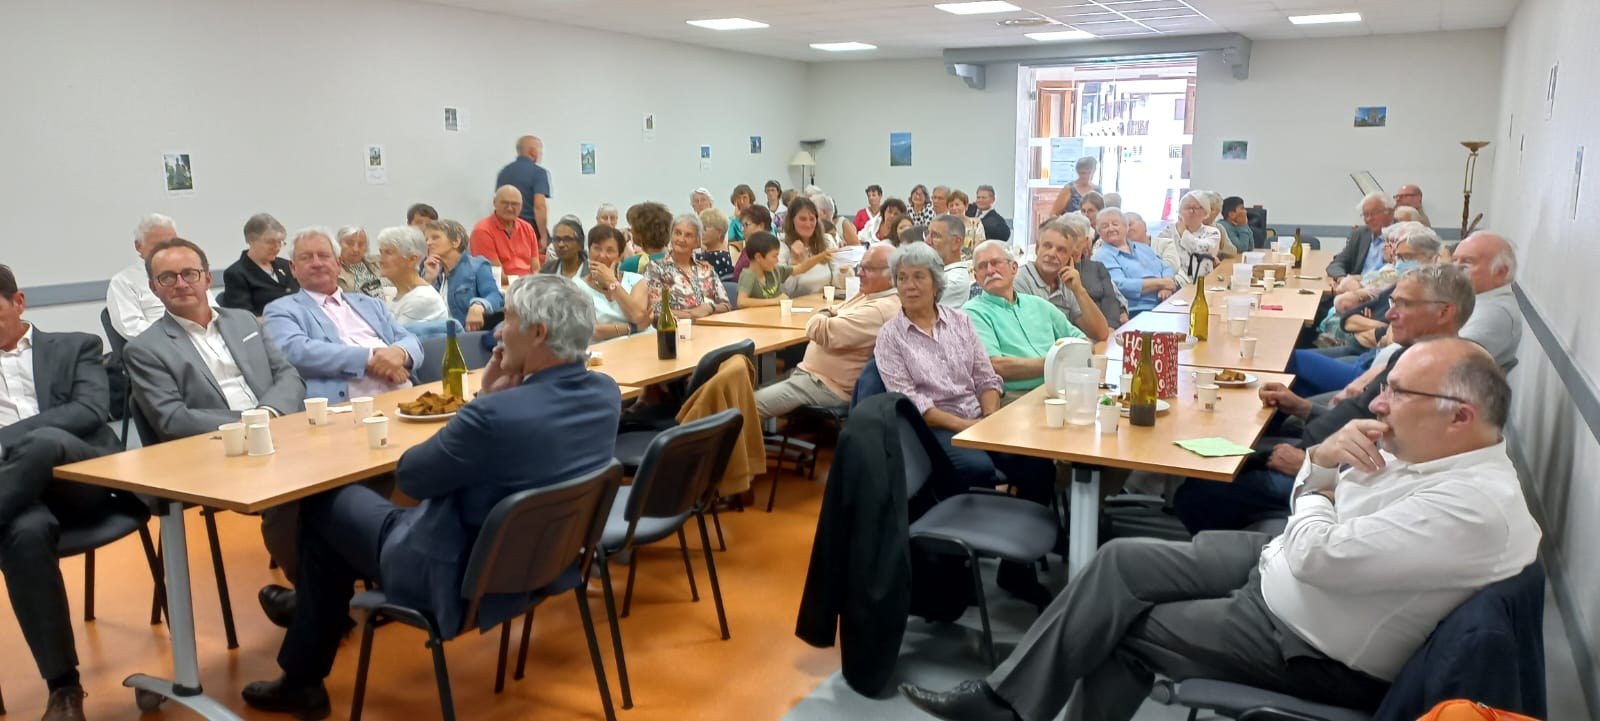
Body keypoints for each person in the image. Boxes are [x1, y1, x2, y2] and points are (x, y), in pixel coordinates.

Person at [901, 340, 1539, 721]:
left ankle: (1007, 705)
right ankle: (1006, 701)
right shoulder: (1434, 454)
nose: (1376, 403)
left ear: (1459, 415)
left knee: (1117, 626)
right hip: (1283, 566)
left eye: (1397, 393)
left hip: (1306, 639)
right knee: (1121, 562)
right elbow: (1327, 519)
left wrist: (1317, 473)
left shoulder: (1473, 506)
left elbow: (1320, 543)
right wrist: (1324, 476)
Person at [241, 275, 622, 720]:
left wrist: (483, 399)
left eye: (511, 321)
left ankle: (305, 666)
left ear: (538, 333)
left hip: (453, 576)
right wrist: (494, 400)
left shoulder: (491, 416)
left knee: (324, 504)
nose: (500, 331)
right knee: (339, 526)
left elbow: (413, 478)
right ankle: (313, 615)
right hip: (545, 560)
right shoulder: (605, 392)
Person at [1175, 264, 1477, 534]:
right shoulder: (1407, 354)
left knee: (1202, 491)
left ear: (1444, 312)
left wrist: (1313, 467)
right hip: (1313, 449)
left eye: (1404, 304)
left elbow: (1397, 465)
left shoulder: (1440, 378)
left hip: (1326, 472)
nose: (1389, 314)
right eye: (1393, 301)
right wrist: (1303, 407)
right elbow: (1361, 416)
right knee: (1219, 455)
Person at [872, 243, 1054, 608]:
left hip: (979, 417)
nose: (909, 285)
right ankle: (956, 570)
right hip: (934, 426)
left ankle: (1016, 570)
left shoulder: (960, 322)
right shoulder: (890, 338)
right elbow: (911, 402)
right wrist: (965, 426)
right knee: (976, 468)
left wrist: (988, 418)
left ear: (936, 283)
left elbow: (986, 377)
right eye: (902, 278)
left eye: (918, 277)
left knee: (1039, 465)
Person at [123, 239, 309, 587]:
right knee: (292, 495)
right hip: (218, 451)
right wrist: (252, 425)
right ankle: (317, 599)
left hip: (281, 429)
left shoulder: (242, 321)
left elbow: (287, 375)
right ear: (153, 288)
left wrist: (268, 413)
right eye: (167, 278)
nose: (180, 283)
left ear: (207, 278)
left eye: (189, 274)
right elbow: (172, 419)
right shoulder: (145, 349)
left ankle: (351, 580)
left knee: (355, 477)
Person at [0, 264, 127, 721]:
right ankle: (64, 688)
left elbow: (89, 410)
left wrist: (5, 439)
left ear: (18, 303)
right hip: (16, 500)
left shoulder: (75, 345)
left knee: (44, 441)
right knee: (23, 533)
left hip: (80, 481)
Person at [263, 227, 424, 403]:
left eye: (324, 256)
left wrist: (399, 353)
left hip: (406, 399)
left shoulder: (370, 303)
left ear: (338, 264)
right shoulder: (281, 310)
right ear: (293, 268)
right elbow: (297, 351)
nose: (317, 263)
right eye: (306, 257)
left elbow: (409, 339)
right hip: (345, 409)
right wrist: (371, 358)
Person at [755, 244, 900, 417]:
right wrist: (830, 313)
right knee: (743, 394)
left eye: (868, 269)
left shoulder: (881, 310)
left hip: (827, 386)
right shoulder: (869, 294)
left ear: (892, 274)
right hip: (811, 375)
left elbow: (818, 329)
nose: (860, 272)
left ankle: (750, 442)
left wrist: (824, 313)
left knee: (748, 406)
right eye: (860, 266)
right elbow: (835, 308)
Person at [963, 240, 1088, 396]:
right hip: (1016, 397)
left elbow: (1083, 341)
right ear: (976, 276)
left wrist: (1064, 361)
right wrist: (1056, 362)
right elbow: (995, 366)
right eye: (982, 267)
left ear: (1014, 268)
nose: (989, 270)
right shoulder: (972, 312)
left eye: (995, 263)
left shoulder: (1039, 304)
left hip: (1061, 388)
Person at [1012, 218, 1113, 341]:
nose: (1052, 254)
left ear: (1071, 258)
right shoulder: (1020, 280)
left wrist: (1079, 290)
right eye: (1047, 246)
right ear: (1037, 248)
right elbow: (1035, 336)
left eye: (1061, 250)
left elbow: (1101, 333)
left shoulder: (1068, 283)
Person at [1449, 231, 1521, 368]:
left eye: (1467, 262)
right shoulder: (1474, 299)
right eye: (1454, 260)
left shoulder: (1495, 313)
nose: (1455, 269)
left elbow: (1449, 362)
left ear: (1500, 272)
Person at [420, 219, 503, 332]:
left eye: (435, 237)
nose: (428, 243)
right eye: (426, 239)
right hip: (436, 332)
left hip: (465, 334)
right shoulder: (429, 269)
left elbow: (495, 296)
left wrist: (479, 306)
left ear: (456, 241)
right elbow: (420, 310)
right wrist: (428, 280)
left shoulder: (477, 265)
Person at [106, 213, 179, 340]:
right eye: (159, 245)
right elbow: (131, 328)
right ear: (139, 246)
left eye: (173, 244)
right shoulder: (123, 282)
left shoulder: (191, 274)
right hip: (161, 348)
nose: (167, 250)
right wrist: (177, 338)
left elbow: (213, 313)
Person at [645, 213, 731, 319]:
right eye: (677, 233)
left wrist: (710, 308)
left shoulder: (706, 268)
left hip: (712, 327)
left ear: (697, 242)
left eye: (688, 235)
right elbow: (655, 311)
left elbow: (726, 305)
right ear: (671, 237)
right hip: (676, 330)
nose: (681, 239)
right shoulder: (655, 268)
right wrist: (692, 315)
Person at [1093, 208, 1177, 316]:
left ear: (1126, 227)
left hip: (1165, 303)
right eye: (1105, 226)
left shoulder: (1142, 248)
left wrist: (1166, 287)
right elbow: (1120, 285)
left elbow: (1165, 267)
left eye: (1115, 224)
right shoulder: (1102, 256)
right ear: (1099, 232)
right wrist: (1161, 283)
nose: (1111, 229)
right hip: (1138, 311)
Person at [578, 225, 649, 341]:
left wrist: (611, 282)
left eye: (610, 250)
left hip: (641, 343)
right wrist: (634, 329)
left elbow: (637, 316)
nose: (602, 255)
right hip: (602, 351)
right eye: (597, 248)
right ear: (589, 251)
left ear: (620, 256)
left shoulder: (637, 280)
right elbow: (592, 330)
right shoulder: (576, 287)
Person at [221, 213, 299, 316]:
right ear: (251, 240)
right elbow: (244, 319)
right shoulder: (236, 274)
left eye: (280, 242)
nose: (277, 247)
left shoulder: (286, 265)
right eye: (271, 242)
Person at [373, 226, 448, 331]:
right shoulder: (396, 295)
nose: (381, 260)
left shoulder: (422, 298)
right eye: (381, 252)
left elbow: (394, 340)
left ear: (413, 259)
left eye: (389, 253)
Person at [736, 231, 824, 307]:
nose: (777, 260)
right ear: (759, 257)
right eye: (774, 256)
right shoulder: (748, 275)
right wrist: (776, 301)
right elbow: (742, 302)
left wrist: (820, 257)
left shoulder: (775, 270)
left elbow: (800, 268)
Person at [470, 186, 542, 277]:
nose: (510, 208)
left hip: (527, 285)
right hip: (501, 287)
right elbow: (496, 275)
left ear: (521, 206)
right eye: (505, 203)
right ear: (494, 203)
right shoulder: (482, 231)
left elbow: (536, 269)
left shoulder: (527, 228)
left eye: (514, 204)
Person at [1153, 191, 1224, 283]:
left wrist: (1184, 233)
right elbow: (1155, 254)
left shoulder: (1212, 233)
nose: (1191, 211)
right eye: (1187, 207)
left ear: (1205, 211)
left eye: (1196, 208)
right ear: (1180, 211)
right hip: (1172, 283)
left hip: (1202, 284)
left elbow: (1201, 250)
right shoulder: (1168, 231)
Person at [495, 135, 551, 242]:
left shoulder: (503, 172)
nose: (540, 154)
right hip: (530, 230)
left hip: (504, 231)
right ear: (532, 152)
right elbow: (539, 206)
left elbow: (499, 204)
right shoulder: (538, 173)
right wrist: (543, 236)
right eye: (540, 151)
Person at [779, 198, 839, 296]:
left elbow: (837, 282)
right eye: (803, 219)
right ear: (792, 220)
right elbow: (785, 291)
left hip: (824, 304)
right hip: (797, 307)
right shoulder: (782, 248)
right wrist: (795, 264)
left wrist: (845, 270)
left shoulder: (827, 241)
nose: (808, 224)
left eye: (812, 219)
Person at [1328, 192, 1395, 280]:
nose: (1369, 219)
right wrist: (1342, 279)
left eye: (1374, 213)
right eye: (1366, 214)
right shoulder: (1361, 234)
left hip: (1383, 289)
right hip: (1354, 287)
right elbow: (1337, 263)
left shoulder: (1402, 236)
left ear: (1390, 212)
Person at [929, 215, 974, 307]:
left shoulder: (953, 281)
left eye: (935, 236)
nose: (927, 241)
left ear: (956, 242)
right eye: (927, 234)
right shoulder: (938, 270)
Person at [619, 202, 671, 275]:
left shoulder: (632, 265)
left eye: (632, 226)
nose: (631, 230)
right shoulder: (679, 259)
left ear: (640, 234)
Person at [334, 226, 384, 298]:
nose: (355, 249)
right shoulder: (333, 269)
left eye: (360, 244)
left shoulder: (378, 263)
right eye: (350, 243)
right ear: (338, 245)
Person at [731, 203, 775, 279]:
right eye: (742, 225)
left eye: (746, 225)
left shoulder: (768, 251)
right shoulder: (750, 247)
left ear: (761, 226)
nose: (742, 229)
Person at [698, 208, 735, 281]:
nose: (701, 232)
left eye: (705, 228)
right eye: (699, 228)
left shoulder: (712, 258)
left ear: (719, 232)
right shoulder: (729, 256)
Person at [947, 189, 987, 256]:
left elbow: (979, 248)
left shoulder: (976, 224)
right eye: (951, 205)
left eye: (957, 205)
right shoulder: (944, 226)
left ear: (966, 206)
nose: (954, 208)